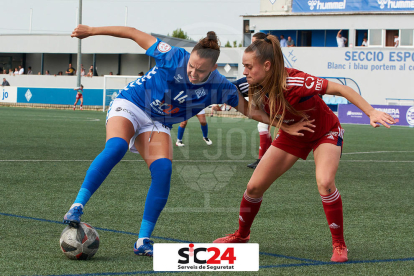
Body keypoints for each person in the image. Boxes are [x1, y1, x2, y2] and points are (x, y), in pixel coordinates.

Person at [62, 24, 299, 257]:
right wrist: (91, 31)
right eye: (191, 67)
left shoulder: (220, 86)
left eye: (200, 71)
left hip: (157, 122)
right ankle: (77, 206)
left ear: (214, 68)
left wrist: (286, 123)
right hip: (131, 104)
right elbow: (133, 33)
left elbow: (249, 111)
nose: (193, 73)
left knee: (163, 169)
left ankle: (143, 240)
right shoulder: (173, 55)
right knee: (116, 146)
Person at [213, 34, 395, 263]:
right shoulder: (249, 83)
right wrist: (283, 126)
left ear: (267, 66)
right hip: (292, 133)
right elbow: (247, 109)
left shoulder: (296, 82)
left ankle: (339, 243)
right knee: (254, 186)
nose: (245, 71)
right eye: (244, 67)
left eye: (249, 66)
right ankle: (241, 236)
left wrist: (371, 112)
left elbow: (340, 89)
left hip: (324, 132)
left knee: (325, 183)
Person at [243, 32, 273, 169]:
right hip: (266, 99)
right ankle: (269, 157)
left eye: (255, 42)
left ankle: (263, 159)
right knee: (264, 127)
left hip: (273, 100)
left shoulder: (266, 63)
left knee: (263, 126)